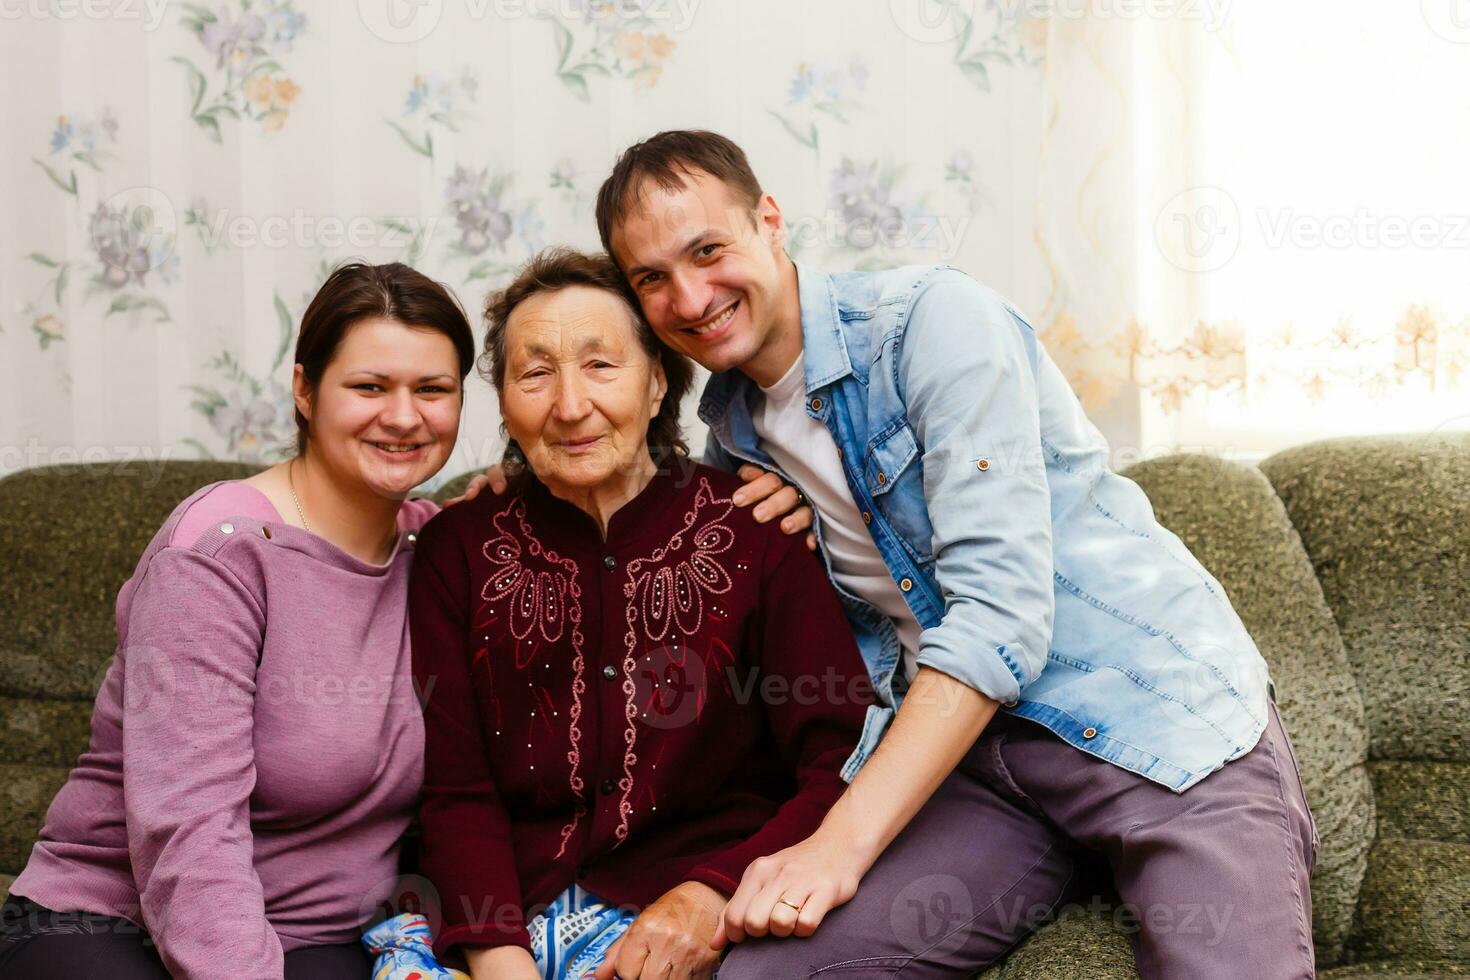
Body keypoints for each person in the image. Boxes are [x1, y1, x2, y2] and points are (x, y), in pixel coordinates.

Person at [483, 130, 1319, 979]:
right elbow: (632, 518)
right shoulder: (732, 438)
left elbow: (999, 616)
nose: (691, 298)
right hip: (973, 764)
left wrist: (835, 849)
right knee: (764, 975)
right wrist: (516, 491)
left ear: (769, 221)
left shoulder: (934, 323)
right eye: (651, 279)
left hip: (1146, 710)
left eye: (708, 251)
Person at [0, 262, 479, 979]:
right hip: (117, 924)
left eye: (433, 390)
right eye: (370, 386)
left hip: (325, 940)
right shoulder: (217, 554)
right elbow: (188, 828)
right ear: (304, 389)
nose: (405, 416)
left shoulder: (440, 549)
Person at [404, 247, 873, 980]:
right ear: (500, 401)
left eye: (601, 366)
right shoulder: (455, 547)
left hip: (689, 920)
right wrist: (500, 958)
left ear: (658, 382)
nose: (568, 405)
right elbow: (454, 788)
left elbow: (838, 758)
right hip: (493, 923)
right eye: (534, 373)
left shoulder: (756, 535)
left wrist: (715, 890)